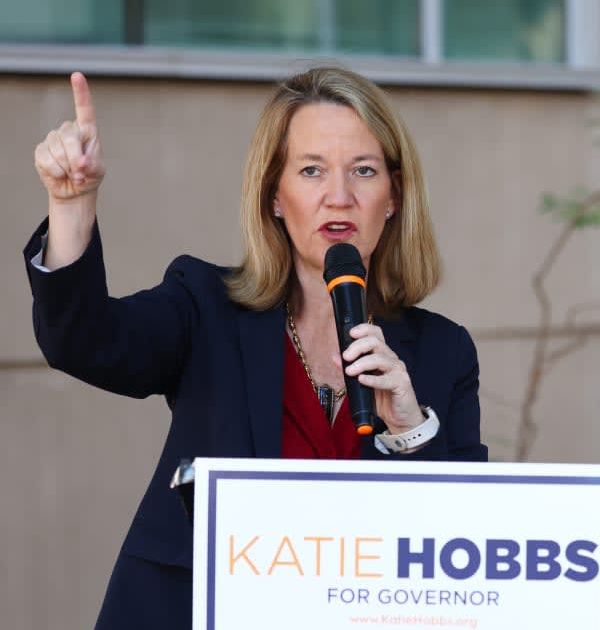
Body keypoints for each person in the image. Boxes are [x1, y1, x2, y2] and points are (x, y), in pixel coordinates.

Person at [25, 67, 486, 629]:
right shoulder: (205, 308)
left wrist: (410, 430)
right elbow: (83, 342)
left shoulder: (442, 351)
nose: (338, 197)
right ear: (274, 195)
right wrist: (71, 203)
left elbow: (471, 552)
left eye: (363, 171)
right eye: (311, 170)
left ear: (392, 197)